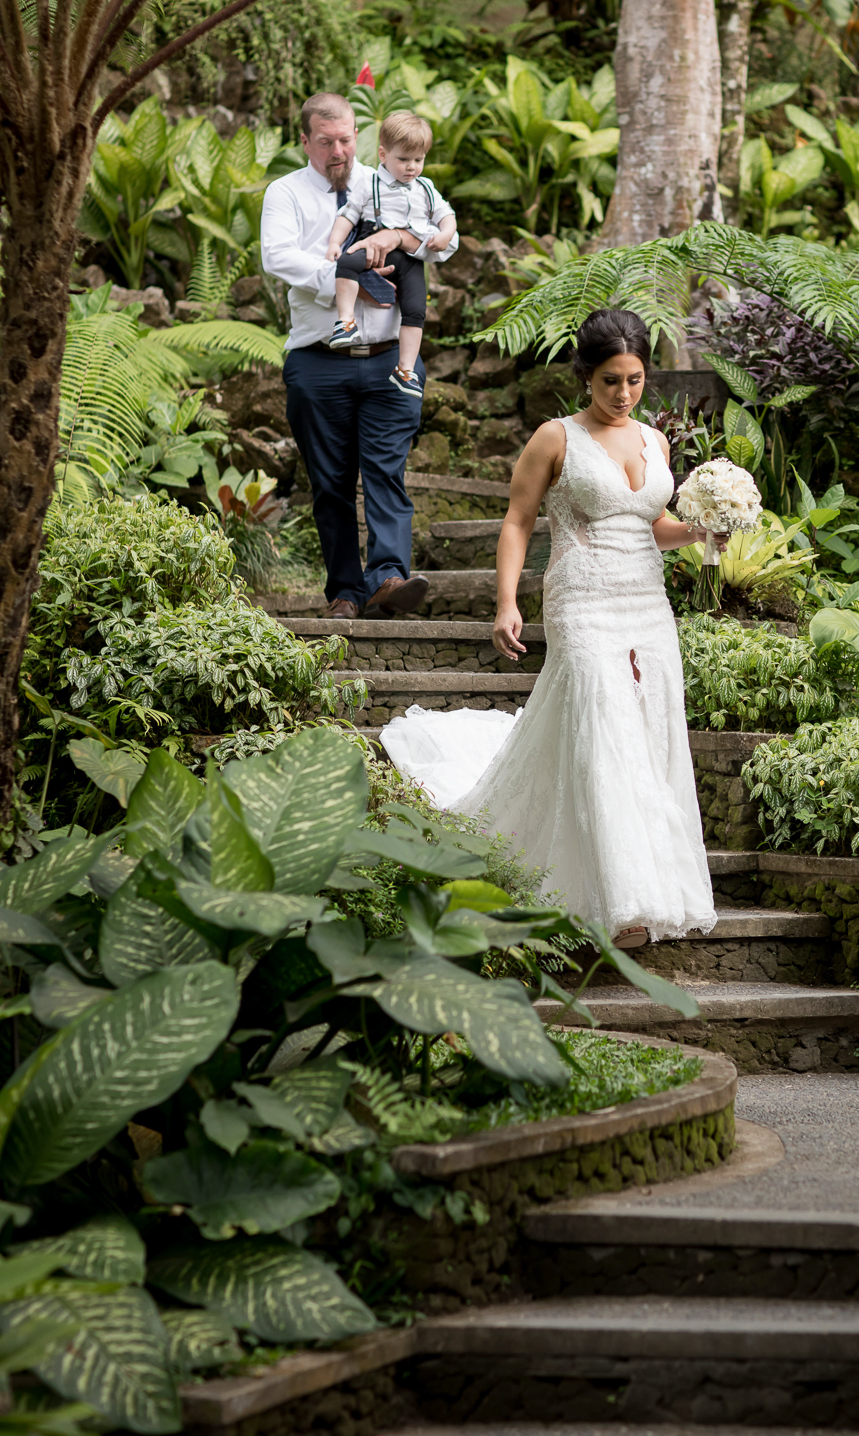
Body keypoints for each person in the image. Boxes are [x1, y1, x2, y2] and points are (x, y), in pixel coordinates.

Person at [380, 308, 723, 945]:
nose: (623, 395)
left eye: (636, 381)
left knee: (648, 728)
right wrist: (505, 602)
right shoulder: (554, 437)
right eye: (610, 382)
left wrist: (703, 531)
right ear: (585, 378)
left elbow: (653, 528)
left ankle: (646, 884)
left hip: (646, 600)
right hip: (581, 597)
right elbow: (517, 522)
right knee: (602, 722)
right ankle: (619, 901)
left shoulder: (656, 441)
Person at [260, 91, 459, 620]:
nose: (338, 151)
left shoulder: (391, 181)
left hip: (391, 355)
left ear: (359, 136)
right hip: (318, 360)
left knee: (386, 471)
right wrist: (351, 277)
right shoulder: (285, 194)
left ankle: (389, 577)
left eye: (346, 139)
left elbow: (447, 238)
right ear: (305, 141)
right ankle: (345, 592)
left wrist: (399, 234)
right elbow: (278, 256)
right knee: (329, 482)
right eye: (325, 142)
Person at [326, 110, 457, 403]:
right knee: (346, 262)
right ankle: (345, 321)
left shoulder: (426, 188)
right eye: (404, 160)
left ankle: (405, 369)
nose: (411, 167)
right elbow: (347, 215)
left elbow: (447, 216)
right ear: (383, 154)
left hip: (409, 257)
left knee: (415, 308)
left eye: (418, 160)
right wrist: (335, 242)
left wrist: (445, 233)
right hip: (372, 243)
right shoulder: (369, 183)